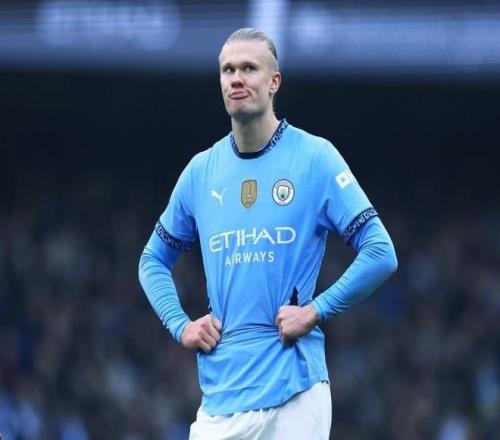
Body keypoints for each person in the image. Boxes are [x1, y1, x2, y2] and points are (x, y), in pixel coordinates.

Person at [138, 28, 398, 439]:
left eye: (248, 68)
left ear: (274, 82)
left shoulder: (314, 158)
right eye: (228, 70)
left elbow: (380, 251)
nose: (236, 79)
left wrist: (314, 311)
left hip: (294, 391)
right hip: (221, 396)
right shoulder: (200, 172)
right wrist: (180, 324)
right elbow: (152, 260)